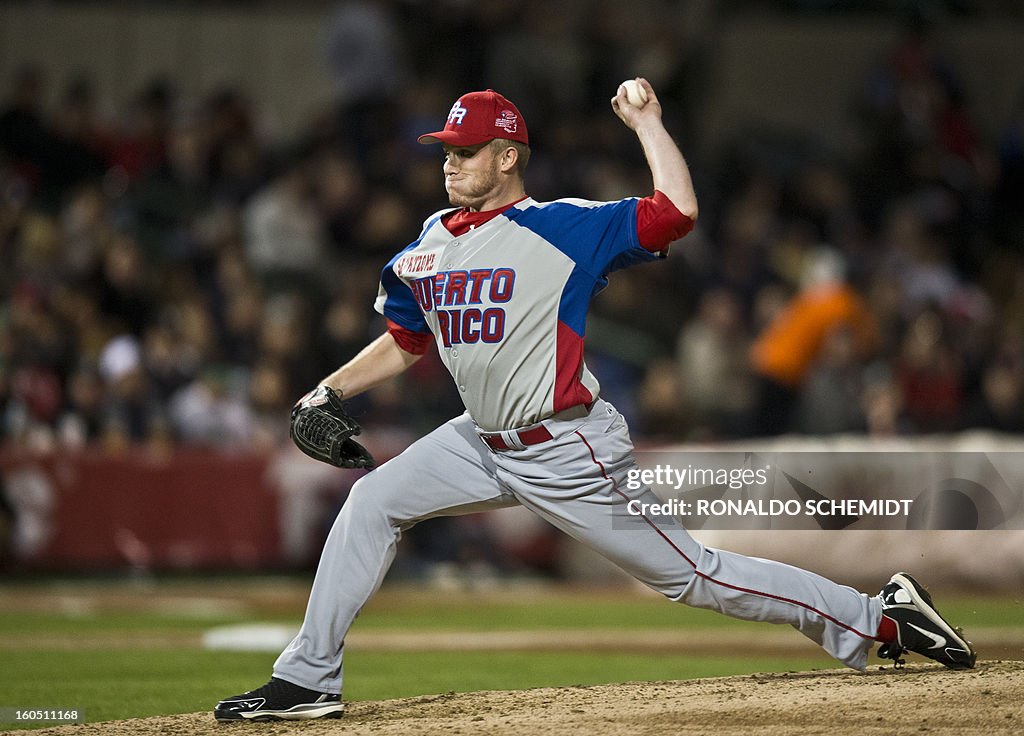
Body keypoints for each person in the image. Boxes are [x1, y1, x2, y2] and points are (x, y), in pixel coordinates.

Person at [214, 80, 975, 722]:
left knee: (695, 576)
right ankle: (309, 679)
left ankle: (880, 617)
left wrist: (648, 122)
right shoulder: (429, 241)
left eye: (467, 151)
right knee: (371, 502)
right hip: (479, 440)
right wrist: (329, 388)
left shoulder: (563, 228)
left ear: (507, 157)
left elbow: (676, 211)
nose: (451, 163)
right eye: (446, 150)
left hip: (565, 447)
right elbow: (406, 340)